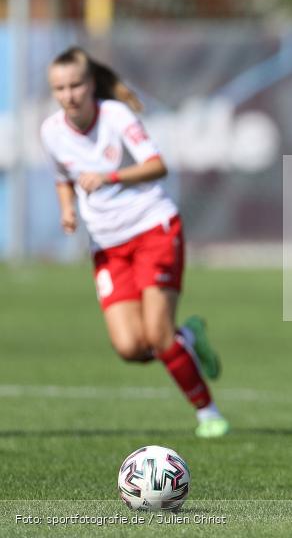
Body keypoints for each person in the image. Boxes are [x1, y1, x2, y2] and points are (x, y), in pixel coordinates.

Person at [41, 47, 229, 438]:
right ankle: (189, 339)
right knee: (130, 347)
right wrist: (67, 209)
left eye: (76, 85)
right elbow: (63, 176)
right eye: (60, 88)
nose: (69, 94)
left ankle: (208, 413)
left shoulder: (116, 116)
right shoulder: (50, 131)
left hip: (152, 229)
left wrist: (110, 177)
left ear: (92, 84)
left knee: (158, 336)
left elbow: (157, 165)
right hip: (108, 246)